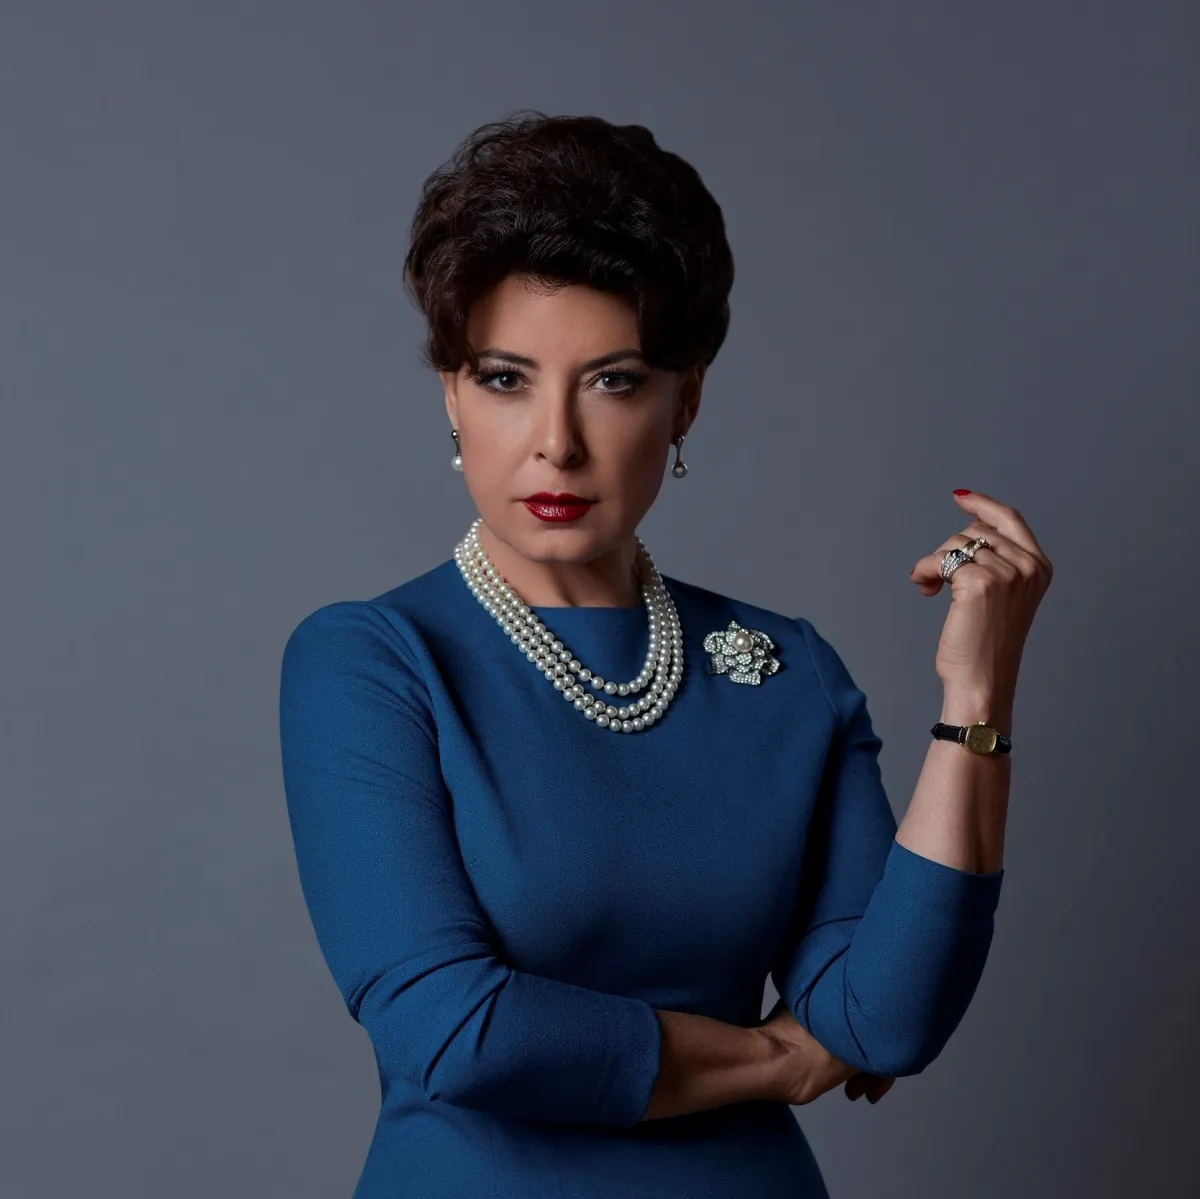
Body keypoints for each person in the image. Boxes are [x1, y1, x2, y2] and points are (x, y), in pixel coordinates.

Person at [278, 111, 1053, 1198]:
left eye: (614, 379)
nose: (556, 441)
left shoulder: (786, 669)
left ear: (684, 399)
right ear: (451, 393)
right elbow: (454, 1028)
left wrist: (977, 688)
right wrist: (779, 1059)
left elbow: (885, 1016)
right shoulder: (375, 662)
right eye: (505, 378)